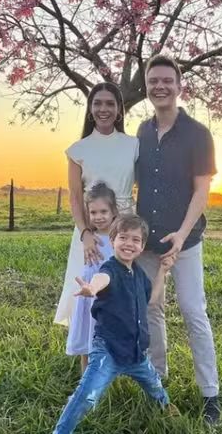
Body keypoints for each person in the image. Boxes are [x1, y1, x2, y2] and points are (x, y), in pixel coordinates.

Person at [134, 54, 221, 424]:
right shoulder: (141, 130)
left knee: (192, 310)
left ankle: (211, 395)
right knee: (151, 311)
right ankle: (158, 384)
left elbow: (202, 192)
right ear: (148, 87)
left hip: (185, 240)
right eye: (154, 81)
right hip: (146, 242)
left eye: (167, 80)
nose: (160, 86)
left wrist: (182, 236)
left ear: (179, 86)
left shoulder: (198, 134)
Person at [53, 214, 179, 434]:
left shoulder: (138, 274)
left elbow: (152, 298)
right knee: (86, 396)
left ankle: (165, 406)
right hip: (107, 352)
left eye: (135, 240)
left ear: (141, 246)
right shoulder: (109, 269)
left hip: (136, 353)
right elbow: (103, 279)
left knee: (155, 385)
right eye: (123, 237)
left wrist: (162, 270)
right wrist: (92, 288)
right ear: (112, 241)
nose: (129, 243)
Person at [54, 82, 138, 330]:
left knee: (121, 290)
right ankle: (88, 354)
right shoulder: (78, 150)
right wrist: (85, 234)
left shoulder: (133, 145)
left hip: (125, 228)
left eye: (110, 103)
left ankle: (118, 354)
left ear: (119, 110)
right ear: (90, 110)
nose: (104, 109)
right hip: (92, 233)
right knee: (89, 291)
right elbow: (76, 198)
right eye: (98, 103)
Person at [65, 181, 118, 373]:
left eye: (103, 211)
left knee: (108, 341)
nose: (98, 217)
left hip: (109, 297)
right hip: (89, 297)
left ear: (114, 211)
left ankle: (107, 378)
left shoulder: (118, 239)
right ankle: (85, 381)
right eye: (93, 213)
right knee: (87, 338)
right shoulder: (89, 239)